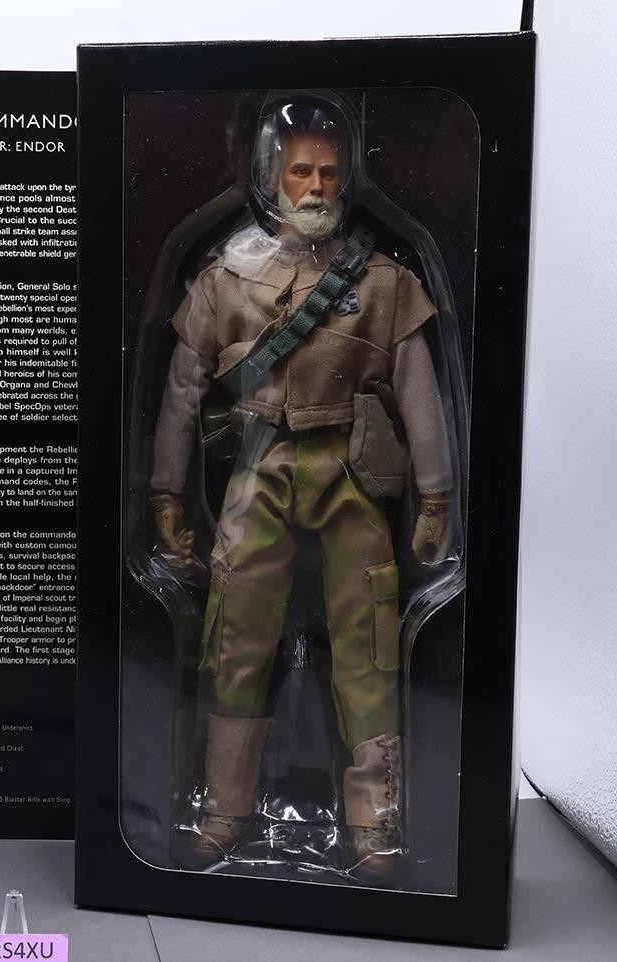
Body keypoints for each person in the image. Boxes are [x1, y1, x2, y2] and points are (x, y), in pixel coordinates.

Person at [149, 93, 454, 881]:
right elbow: (181, 395)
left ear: (347, 178)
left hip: (350, 476)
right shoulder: (226, 278)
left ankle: (376, 827)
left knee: (369, 649)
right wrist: (166, 498)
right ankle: (223, 811)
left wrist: (435, 500)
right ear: (270, 177)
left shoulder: (383, 282)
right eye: (300, 171)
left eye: (328, 171)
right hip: (259, 472)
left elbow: (421, 399)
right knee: (236, 642)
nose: (315, 186)